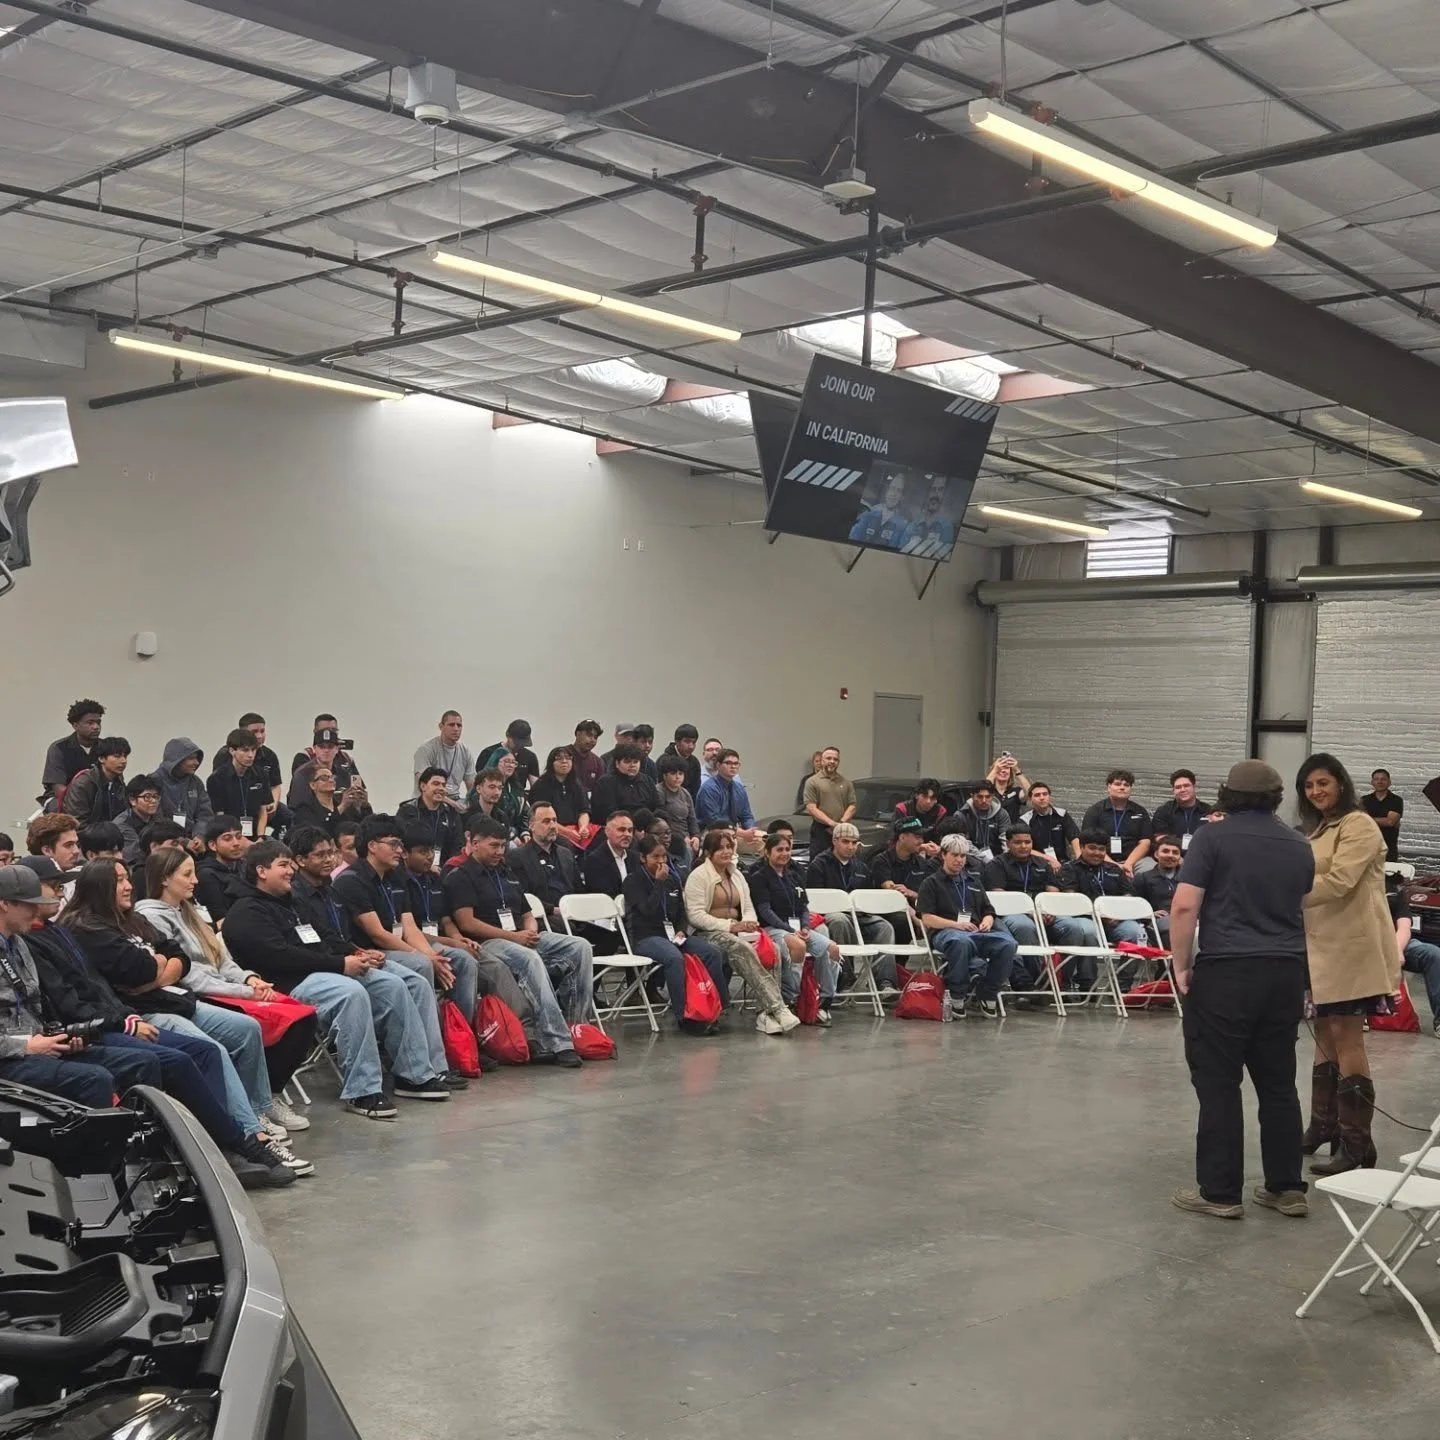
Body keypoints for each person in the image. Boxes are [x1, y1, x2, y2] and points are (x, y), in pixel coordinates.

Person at [4, 863, 288, 1189]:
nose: (54, 893)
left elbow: (140, 968)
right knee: (162, 1060)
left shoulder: (39, 937)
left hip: (99, 1022)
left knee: (205, 1049)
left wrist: (125, 1009)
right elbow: (106, 985)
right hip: (74, 1032)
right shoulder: (64, 932)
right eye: (46, 887)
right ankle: (197, 1157)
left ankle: (230, 1144)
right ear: (7, 903)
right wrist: (39, 1041)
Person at [1169, 759, 1316, 1220]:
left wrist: (1181, 965)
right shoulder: (1299, 845)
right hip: (1285, 972)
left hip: (1228, 971)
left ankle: (1220, 1192)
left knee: (1218, 1082)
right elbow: (1305, 912)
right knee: (1278, 1083)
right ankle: (1287, 1187)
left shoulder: (1213, 836)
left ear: (1228, 794)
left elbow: (1183, 906)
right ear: (1276, 798)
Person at [224, 834, 449, 1120]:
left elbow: (325, 936)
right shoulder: (245, 912)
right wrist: (341, 964)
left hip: (322, 969)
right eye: (284, 865)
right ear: (261, 871)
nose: (291, 871)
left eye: (291, 864)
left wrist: (357, 952)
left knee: (392, 984)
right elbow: (280, 957)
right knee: (350, 993)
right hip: (287, 983)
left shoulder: (292, 901)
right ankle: (362, 1090)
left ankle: (413, 1075)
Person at [135, 845, 315, 1137]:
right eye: (187, 874)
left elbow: (222, 959)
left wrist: (249, 980)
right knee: (254, 1026)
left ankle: (271, 1094)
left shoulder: (190, 911)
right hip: (199, 993)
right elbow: (189, 975)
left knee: (302, 1015)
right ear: (165, 879)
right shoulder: (151, 917)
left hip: (227, 987)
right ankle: (257, 1105)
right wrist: (243, 993)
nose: (196, 881)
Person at [1297, 752, 1397, 1177]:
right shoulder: (1317, 828)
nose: (1316, 791)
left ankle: (1358, 1145)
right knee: (1323, 1033)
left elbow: (1339, 881)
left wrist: (1282, 890)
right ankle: (1325, 1125)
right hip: (1320, 946)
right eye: (1308, 786)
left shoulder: (1359, 825)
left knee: (1347, 1037)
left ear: (1341, 783)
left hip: (1352, 948)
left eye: (1323, 782)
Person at [330, 816, 472, 1092]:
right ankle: (430, 1063)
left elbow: (408, 926)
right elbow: (377, 933)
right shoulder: (352, 880)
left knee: (462, 960)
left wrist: (431, 954)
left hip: (399, 946)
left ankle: (462, 1045)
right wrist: (425, 958)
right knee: (420, 968)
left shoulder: (395, 876)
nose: (399, 850)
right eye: (394, 844)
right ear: (371, 845)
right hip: (373, 952)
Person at [442, 816, 592, 1067]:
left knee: (580, 947)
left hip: (520, 937)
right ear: (475, 843)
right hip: (488, 942)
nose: (500, 852)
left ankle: (577, 1028)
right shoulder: (459, 876)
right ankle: (558, 1041)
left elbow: (525, 912)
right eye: (493, 846)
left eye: (503, 846)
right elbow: (467, 923)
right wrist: (515, 937)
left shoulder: (507, 872)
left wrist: (530, 930)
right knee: (529, 959)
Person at [683, 829, 798, 1035]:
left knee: (772, 949)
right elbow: (695, 915)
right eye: (720, 849)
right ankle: (778, 1008)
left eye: (729, 847)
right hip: (707, 932)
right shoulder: (698, 876)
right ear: (708, 853)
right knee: (741, 948)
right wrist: (730, 926)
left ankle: (765, 1015)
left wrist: (748, 923)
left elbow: (748, 907)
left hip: (738, 930)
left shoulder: (736, 874)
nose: (726, 852)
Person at [622, 834, 729, 1035]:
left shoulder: (672, 879)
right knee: (674, 958)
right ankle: (683, 1016)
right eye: (656, 857)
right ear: (643, 858)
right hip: (646, 937)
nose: (661, 862)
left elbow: (682, 913)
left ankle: (718, 1008)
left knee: (712, 952)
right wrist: (658, 883)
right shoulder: (633, 881)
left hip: (673, 934)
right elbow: (647, 910)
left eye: (664, 857)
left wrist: (681, 930)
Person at [916, 835, 1017, 1018]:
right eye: (954, 855)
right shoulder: (931, 883)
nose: (959, 860)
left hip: (976, 931)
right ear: (943, 855)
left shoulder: (973, 882)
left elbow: (988, 910)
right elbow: (927, 918)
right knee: (960, 941)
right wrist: (957, 925)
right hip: (945, 932)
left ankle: (988, 991)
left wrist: (987, 921)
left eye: (963, 856)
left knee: (1008, 944)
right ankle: (957, 993)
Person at [749, 830, 841, 1025]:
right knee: (798, 946)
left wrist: (806, 927)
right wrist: (791, 931)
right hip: (772, 929)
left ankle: (824, 1001)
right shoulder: (759, 878)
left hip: (799, 928)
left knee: (832, 949)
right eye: (778, 849)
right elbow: (765, 911)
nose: (784, 853)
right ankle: (790, 999)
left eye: (787, 849)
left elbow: (804, 908)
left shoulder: (795, 877)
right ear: (767, 852)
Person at [805, 822, 898, 990]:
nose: (851, 847)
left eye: (855, 843)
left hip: (860, 916)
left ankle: (885, 982)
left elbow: (868, 897)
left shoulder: (861, 867)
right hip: (830, 916)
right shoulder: (819, 865)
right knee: (840, 920)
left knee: (885, 927)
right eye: (846, 842)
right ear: (834, 841)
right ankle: (844, 977)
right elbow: (815, 901)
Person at [1056, 831, 1146, 990]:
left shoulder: (1114, 869)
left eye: (1101, 849)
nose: (1097, 853)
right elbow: (1072, 898)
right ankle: (1087, 983)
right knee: (1090, 932)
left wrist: (1118, 914)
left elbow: (1128, 894)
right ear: (1082, 848)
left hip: (1116, 920)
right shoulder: (1069, 869)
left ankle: (1122, 986)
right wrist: (1102, 915)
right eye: (1092, 848)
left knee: (1136, 933)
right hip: (1084, 918)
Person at [981, 824, 1060, 993]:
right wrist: (1029, 912)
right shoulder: (997, 865)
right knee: (1024, 926)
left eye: (1027, 842)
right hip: (1011, 914)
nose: (1024, 846)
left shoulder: (1042, 864)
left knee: (1077, 928)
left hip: (1043, 913)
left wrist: (1050, 910)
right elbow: (1000, 898)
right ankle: (1031, 983)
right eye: (1018, 843)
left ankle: (1065, 984)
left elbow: (1053, 890)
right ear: (1008, 844)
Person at [507, 802, 583, 932]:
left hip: (572, 913)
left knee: (610, 929)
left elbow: (579, 889)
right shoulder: (518, 857)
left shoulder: (566, 853)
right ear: (531, 826)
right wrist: (552, 909)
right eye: (546, 821)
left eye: (554, 820)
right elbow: (521, 897)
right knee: (564, 927)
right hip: (541, 916)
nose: (553, 826)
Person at [1388, 880, 1440, 1037]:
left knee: (1433, 954)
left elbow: (1404, 926)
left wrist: (1396, 951)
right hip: (1362, 945)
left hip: (1395, 943)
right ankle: (1356, 1013)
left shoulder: (1392, 890)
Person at [1081, 770, 1153, 876]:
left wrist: (1128, 864)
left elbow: (1145, 843)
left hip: (1134, 860)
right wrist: (1114, 865)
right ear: (1109, 787)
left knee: (1150, 868)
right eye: (1118, 784)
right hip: (1100, 858)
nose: (1122, 787)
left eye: (1126, 785)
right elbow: (1086, 843)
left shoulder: (1140, 811)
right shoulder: (1095, 811)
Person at [211, 713, 284, 816]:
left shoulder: (270, 755)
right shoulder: (223, 756)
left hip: (261, 799)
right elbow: (218, 787)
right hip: (234, 803)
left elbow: (275, 785)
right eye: (254, 732)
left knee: (288, 816)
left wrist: (273, 804)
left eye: (262, 731)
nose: (259, 736)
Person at [205, 729, 273, 839]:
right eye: (245, 750)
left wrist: (261, 837)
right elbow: (220, 815)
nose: (251, 755)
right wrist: (236, 839)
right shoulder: (217, 779)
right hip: (230, 837)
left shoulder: (261, 775)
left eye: (253, 750)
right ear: (232, 751)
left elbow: (262, 810)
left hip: (255, 835)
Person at [694, 749, 763, 851]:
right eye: (728, 763)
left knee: (765, 839)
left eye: (736, 763)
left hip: (736, 830)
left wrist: (751, 831)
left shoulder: (739, 788)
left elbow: (746, 815)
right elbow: (713, 822)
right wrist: (742, 833)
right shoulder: (709, 788)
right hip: (712, 832)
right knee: (731, 840)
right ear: (718, 765)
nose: (733, 766)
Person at [397, 768, 467, 865]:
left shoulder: (451, 814)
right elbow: (402, 845)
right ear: (423, 786)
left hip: (444, 870)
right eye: (436, 784)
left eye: (443, 785)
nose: (441, 788)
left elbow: (457, 846)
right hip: (413, 868)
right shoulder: (408, 811)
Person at [150, 738, 213, 844]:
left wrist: (200, 836)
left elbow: (205, 814)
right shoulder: (154, 781)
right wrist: (182, 842)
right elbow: (156, 819)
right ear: (177, 760)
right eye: (191, 758)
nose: (196, 762)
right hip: (165, 841)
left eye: (197, 758)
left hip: (194, 839)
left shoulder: (196, 782)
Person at [41, 698, 105, 802]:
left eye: (98, 722)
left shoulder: (106, 747)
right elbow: (59, 789)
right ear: (75, 726)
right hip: (63, 800)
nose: (96, 727)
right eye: (90, 723)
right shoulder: (58, 748)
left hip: (99, 800)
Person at [528, 747, 593, 847]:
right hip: (552, 830)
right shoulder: (542, 785)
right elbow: (543, 819)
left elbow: (584, 811)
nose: (564, 762)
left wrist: (583, 828)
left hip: (576, 829)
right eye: (559, 758)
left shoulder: (576, 783)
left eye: (568, 758)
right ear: (551, 763)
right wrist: (568, 832)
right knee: (566, 845)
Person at [60, 736, 131, 826]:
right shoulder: (83, 783)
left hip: (112, 833)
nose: (123, 761)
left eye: (125, 756)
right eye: (117, 756)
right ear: (101, 759)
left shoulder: (119, 780)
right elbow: (78, 823)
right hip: (88, 835)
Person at [287, 726, 361, 807]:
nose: (326, 750)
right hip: (310, 817)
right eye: (321, 746)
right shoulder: (303, 774)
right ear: (315, 749)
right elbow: (298, 809)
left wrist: (362, 803)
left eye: (330, 746)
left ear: (337, 749)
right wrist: (342, 806)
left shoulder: (344, 772)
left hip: (343, 817)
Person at [412, 711, 474, 808]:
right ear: (441, 726)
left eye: (459, 725)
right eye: (451, 725)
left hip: (454, 800)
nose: (456, 729)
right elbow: (425, 785)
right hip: (426, 802)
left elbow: (472, 785)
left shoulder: (465, 751)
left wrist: (470, 804)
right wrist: (453, 804)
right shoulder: (426, 749)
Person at [802, 747, 857, 857]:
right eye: (828, 758)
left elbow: (852, 805)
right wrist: (831, 823)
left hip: (842, 831)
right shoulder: (812, 782)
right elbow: (811, 808)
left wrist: (841, 823)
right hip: (821, 831)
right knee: (820, 865)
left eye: (835, 759)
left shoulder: (846, 782)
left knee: (841, 863)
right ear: (822, 761)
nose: (832, 761)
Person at [290, 762, 371, 835]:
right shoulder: (305, 810)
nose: (331, 780)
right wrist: (342, 806)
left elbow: (364, 828)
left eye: (332, 777)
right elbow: (318, 833)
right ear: (312, 785)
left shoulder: (345, 807)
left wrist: (363, 806)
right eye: (324, 778)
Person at [866, 817, 935, 902]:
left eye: (922, 837)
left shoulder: (922, 863)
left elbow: (929, 896)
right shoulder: (882, 861)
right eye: (917, 837)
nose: (921, 841)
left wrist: (911, 893)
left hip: (918, 910)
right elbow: (891, 890)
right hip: (889, 909)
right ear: (902, 837)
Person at [590, 744, 659, 827]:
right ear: (617, 764)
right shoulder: (605, 782)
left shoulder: (647, 780)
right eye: (627, 761)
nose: (632, 765)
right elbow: (606, 814)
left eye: (635, 761)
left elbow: (657, 806)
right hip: (618, 827)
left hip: (647, 826)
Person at [194, 816, 246, 924]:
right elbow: (219, 916)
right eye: (227, 839)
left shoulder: (245, 866)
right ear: (213, 845)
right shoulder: (206, 874)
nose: (236, 843)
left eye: (239, 836)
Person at [1134, 836, 1184, 945]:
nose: (1170, 855)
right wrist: (1149, 914)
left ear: (1180, 857)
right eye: (1165, 851)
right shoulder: (1143, 878)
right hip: (1159, 922)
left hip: (1187, 919)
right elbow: (1135, 907)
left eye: (1175, 852)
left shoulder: (1189, 879)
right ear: (1156, 854)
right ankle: (1170, 962)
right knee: (1170, 927)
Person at [1150, 770, 1214, 853]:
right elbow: (1160, 838)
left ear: (1194, 787)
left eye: (1186, 786)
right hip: (1173, 856)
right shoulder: (1163, 811)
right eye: (1178, 787)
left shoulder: (1208, 811)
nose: (1182, 790)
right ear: (1173, 791)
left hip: (1202, 855)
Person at [1018, 782, 1079, 870]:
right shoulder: (1025, 820)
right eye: (1037, 795)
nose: (1042, 798)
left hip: (1062, 863)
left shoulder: (1061, 814)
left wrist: (1078, 857)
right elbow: (1023, 847)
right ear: (1031, 799)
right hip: (1036, 865)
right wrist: (1049, 859)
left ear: (1050, 797)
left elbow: (1074, 836)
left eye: (1045, 794)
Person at [654, 756, 700, 868]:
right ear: (665, 775)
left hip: (687, 836)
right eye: (673, 773)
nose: (677, 777)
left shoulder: (685, 793)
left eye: (681, 773)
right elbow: (663, 819)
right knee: (687, 849)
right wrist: (682, 838)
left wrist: (696, 836)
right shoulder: (659, 791)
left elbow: (692, 819)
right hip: (670, 836)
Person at [949, 782, 1010, 863]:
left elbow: (1006, 839)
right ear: (972, 796)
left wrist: (1006, 859)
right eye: (980, 797)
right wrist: (986, 860)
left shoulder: (1001, 813)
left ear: (993, 796)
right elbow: (964, 843)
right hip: (970, 858)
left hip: (998, 857)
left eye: (988, 797)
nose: (984, 801)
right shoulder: (961, 815)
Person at [847, 470, 909, 547]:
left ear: (902, 497)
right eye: (892, 488)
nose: (894, 494)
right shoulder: (871, 512)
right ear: (887, 490)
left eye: (899, 491)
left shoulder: (901, 524)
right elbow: (854, 537)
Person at [582, 811, 636, 899]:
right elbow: (602, 897)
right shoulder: (595, 860)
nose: (627, 834)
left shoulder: (635, 858)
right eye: (621, 830)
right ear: (607, 832)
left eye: (630, 830)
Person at [478, 719, 540, 789]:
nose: (520, 746)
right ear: (508, 736)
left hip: (518, 796)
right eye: (517, 743)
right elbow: (480, 781)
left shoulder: (530, 757)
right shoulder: (488, 753)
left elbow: (536, 787)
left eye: (523, 744)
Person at [117, 774, 163, 865]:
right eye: (147, 797)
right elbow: (135, 856)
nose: (154, 801)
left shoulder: (157, 817)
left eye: (156, 796)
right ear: (133, 800)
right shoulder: (122, 825)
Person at [1361, 768, 1404, 864]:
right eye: (1376, 779)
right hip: (1367, 849)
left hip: (1388, 849)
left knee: (1387, 877)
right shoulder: (1364, 800)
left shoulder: (1396, 800)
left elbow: (1390, 822)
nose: (1379, 782)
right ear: (1372, 782)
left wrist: (1367, 819)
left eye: (1383, 779)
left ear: (1389, 782)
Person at [985, 755, 1031, 820]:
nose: (1003, 771)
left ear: (1010, 773)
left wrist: (1017, 770)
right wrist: (995, 769)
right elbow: (983, 788)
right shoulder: (989, 790)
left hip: (1011, 828)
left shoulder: (1015, 791)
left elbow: (1030, 792)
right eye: (1000, 768)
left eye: (1006, 768)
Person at [660, 724, 702, 797]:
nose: (691, 746)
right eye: (687, 742)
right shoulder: (664, 761)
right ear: (677, 741)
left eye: (694, 742)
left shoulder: (695, 762)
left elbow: (695, 790)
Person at [571, 719, 605, 798]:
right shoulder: (564, 755)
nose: (592, 740)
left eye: (595, 737)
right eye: (589, 735)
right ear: (578, 734)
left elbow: (600, 791)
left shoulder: (598, 762)